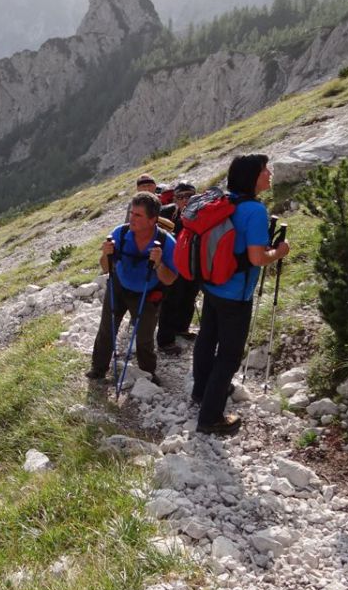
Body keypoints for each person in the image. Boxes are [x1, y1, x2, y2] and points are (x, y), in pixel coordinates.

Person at [191, 155, 289, 435]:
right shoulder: (254, 211)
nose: (269, 174)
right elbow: (257, 258)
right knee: (230, 355)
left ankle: (201, 392)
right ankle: (210, 417)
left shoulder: (223, 202)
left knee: (207, 339)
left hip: (211, 284)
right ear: (251, 177)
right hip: (235, 293)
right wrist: (280, 252)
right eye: (264, 170)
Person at [88, 191, 179, 386]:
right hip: (119, 286)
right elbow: (106, 267)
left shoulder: (167, 243)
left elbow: (170, 279)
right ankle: (98, 368)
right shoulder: (119, 233)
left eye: (138, 215)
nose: (132, 219)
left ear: (153, 219)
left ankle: (147, 373)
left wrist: (159, 263)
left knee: (145, 336)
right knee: (107, 328)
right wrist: (105, 254)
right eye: (131, 213)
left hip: (148, 293)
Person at [156, 181, 199, 355]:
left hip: (193, 262)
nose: (185, 200)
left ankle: (181, 328)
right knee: (171, 299)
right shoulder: (166, 213)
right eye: (181, 197)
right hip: (172, 262)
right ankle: (165, 340)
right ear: (175, 199)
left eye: (189, 195)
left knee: (189, 296)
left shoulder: (202, 213)